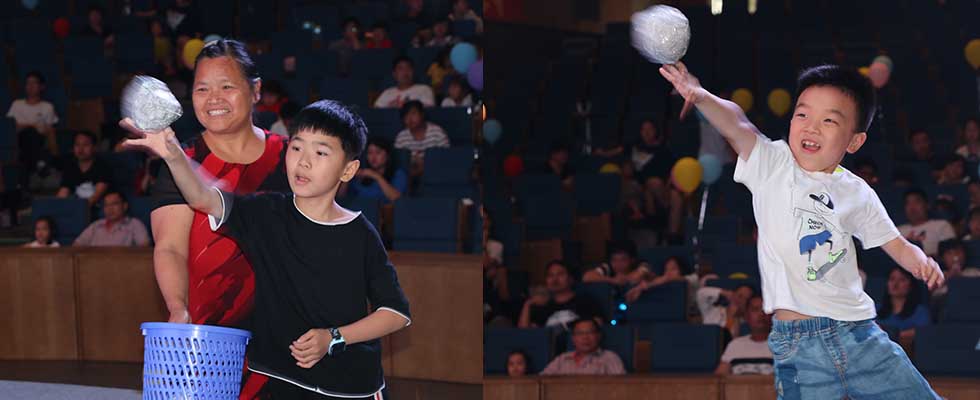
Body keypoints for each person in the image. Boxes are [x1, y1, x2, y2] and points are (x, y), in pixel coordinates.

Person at [660, 62, 943, 398]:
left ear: (854, 141)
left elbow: (895, 242)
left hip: (861, 336)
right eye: (803, 114)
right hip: (799, 345)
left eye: (829, 120)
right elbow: (737, 123)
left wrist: (919, 261)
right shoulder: (773, 164)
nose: (811, 127)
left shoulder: (856, 191)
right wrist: (701, 96)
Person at [123, 99, 410, 399]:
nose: (303, 161)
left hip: (350, 388)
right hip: (278, 379)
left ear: (348, 170)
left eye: (321, 152)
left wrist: (333, 338)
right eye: (296, 147)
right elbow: (203, 197)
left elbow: (395, 313)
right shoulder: (265, 211)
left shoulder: (361, 234)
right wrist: (174, 155)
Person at [147, 39, 290, 398]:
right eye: (202, 89)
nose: (214, 99)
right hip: (207, 340)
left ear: (255, 91)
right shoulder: (181, 161)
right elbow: (170, 248)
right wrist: (178, 308)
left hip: (285, 336)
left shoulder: (290, 158)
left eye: (227, 86)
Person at [518, 260, 603, 329]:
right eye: (550, 275)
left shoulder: (585, 301)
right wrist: (528, 304)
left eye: (560, 274)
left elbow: (598, 325)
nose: (555, 279)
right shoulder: (542, 306)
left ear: (571, 279)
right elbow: (525, 335)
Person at [7, 71, 59, 183]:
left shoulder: (48, 107)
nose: (30, 86)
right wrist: (31, 125)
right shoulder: (17, 104)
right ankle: (40, 164)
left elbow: (49, 130)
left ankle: (27, 178)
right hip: (18, 139)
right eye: (28, 83)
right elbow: (10, 127)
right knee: (29, 132)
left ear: (41, 87)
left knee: (32, 137)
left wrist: (54, 150)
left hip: (39, 140)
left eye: (34, 83)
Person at [539, 318, 626, 376]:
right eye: (580, 333)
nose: (585, 337)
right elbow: (541, 380)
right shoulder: (562, 359)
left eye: (590, 332)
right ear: (573, 338)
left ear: (598, 336)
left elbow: (623, 386)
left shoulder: (609, 358)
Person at [715, 294, 774, 376]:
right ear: (746, 316)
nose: (761, 314)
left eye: (765, 310)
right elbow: (719, 377)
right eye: (755, 309)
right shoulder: (735, 345)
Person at [73, 191, 150, 247]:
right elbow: (76, 245)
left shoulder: (134, 224)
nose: (109, 209)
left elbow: (144, 248)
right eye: (106, 205)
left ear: (125, 206)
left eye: (114, 204)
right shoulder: (96, 225)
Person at [393, 100, 449, 177]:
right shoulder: (401, 136)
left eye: (413, 113)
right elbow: (398, 162)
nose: (409, 119)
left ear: (422, 114)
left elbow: (446, 158)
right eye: (406, 115)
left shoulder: (437, 132)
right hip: (409, 175)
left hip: (435, 174)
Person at [344, 136, 407, 203]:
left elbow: (396, 199)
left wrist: (375, 176)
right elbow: (341, 197)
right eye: (370, 153)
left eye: (378, 152)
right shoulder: (361, 173)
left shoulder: (398, 174)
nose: (373, 157)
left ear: (387, 155)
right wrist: (347, 177)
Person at [56, 131, 111, 207]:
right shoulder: (70, 167)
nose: (80, 149)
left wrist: (77, 210)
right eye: (77, 145)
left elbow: (96, 196)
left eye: (85, 145)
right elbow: (63, 193)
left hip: (99, 207)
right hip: (77, 206)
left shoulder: (102, 166)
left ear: (94, 147)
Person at [898, 188, 956, 256]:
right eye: (908, 203)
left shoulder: (942, 225)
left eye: (917, 202)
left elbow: (951, 252)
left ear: (927, 205)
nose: (912, 207)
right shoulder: (898, 231)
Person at [877, 267, 931, 341]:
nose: (895, 284)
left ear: (911, 285)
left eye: (902, 280)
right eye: (892, 279)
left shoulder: (920, 312)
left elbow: (923, 334)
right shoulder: (876, 309)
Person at [581, 244, 651, 287]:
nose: (618, 264)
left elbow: (638, 275)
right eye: (614, 260)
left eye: (623, 260)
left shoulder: (642, 264)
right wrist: (612, 280)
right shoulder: (608, 267)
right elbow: (586, 277)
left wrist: (624, 279)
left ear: (632, 260)